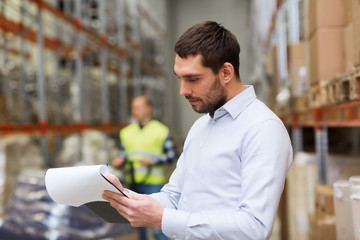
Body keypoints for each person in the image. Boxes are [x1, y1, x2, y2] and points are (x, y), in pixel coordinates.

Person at [103, 21, 293, 240]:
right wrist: (125, 199)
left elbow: (254, 227)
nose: (183, 91)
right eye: (180, 78)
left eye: (193, 79)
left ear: (226, 72)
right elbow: (175, 197)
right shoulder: (201, 126)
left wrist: (163, 218)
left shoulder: (263, 129)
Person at [112, 95, 176, 240]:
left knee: (157, 223)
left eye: (138, 108)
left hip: (153, 184)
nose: (135, 111)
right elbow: (123, 153)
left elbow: (172, 156)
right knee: (137, 222)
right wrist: (119, 160)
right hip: (133, 183)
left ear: (148, 109)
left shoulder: (161, 131)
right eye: (133, 108)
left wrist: (153, 160)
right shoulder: (126, 132)